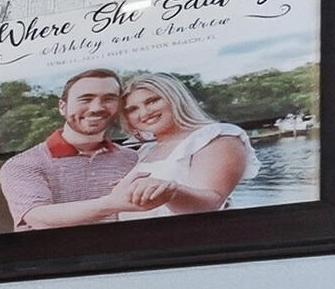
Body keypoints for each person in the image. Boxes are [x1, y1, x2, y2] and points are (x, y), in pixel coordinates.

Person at [0, 68, 138, 229]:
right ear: (62, 106)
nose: (96, 107)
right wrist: (112, 203)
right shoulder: (22, 164)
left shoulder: (132, 158)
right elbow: (37, 218)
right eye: (86, 99)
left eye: (109, 99)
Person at [108, 71, 253, 216]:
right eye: (132, 109)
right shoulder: (145, 150)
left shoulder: (216, 137)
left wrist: (170, 191)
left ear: (175, 99)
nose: (145, 113)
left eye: (152, 101)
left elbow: (211, 205)